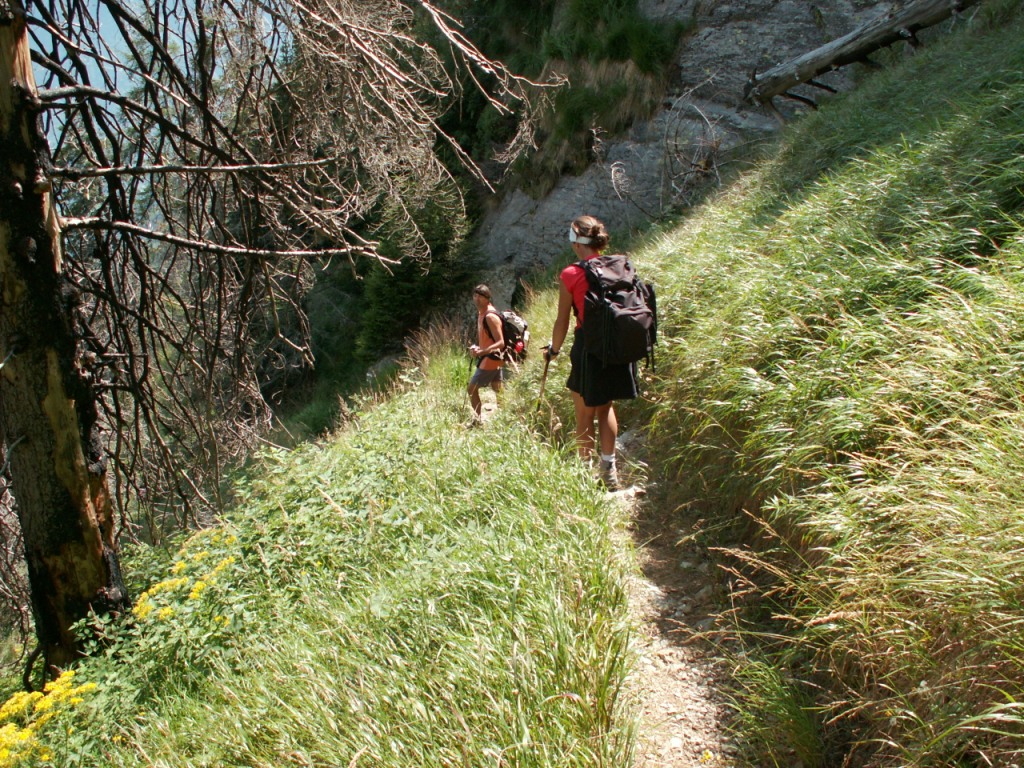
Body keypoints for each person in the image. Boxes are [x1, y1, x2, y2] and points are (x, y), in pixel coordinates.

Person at [544, 216, 638, 489]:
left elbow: (562, 320)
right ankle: (609, 471)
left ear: (576, 242)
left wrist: (554, 350)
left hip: (588, 347)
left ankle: (584, 473)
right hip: (617, 346)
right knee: (605, 407)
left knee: (584, 412)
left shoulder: (571, 274)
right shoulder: (619, 265)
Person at [467, 284, 505, 423]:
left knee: (471, 389)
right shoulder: (481, 313)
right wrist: (479, 348)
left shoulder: (490, 316)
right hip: (493, 357)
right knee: (497, 388)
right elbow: (489, 339)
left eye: (481, 297)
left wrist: (482, 351)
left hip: (491, 358)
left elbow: (501, 342)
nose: (477, 299)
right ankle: (506, 418)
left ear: (487, 298)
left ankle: (477, 421)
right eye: (475, 296)